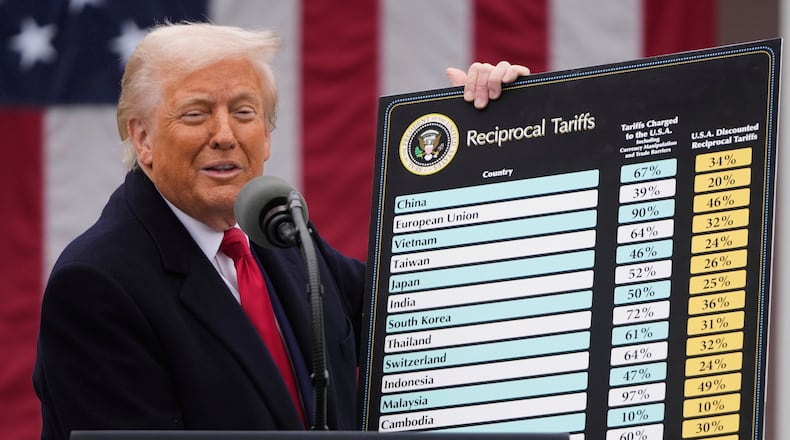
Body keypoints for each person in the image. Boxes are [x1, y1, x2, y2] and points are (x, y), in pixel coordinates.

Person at [32, 22, 529, 439]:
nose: (224, 135)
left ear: (266, 136)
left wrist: (494, 141)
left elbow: (423, 307)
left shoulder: (281, 233)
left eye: (244, 113)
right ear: (142, 139)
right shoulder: (96, 284)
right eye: (196, 113)